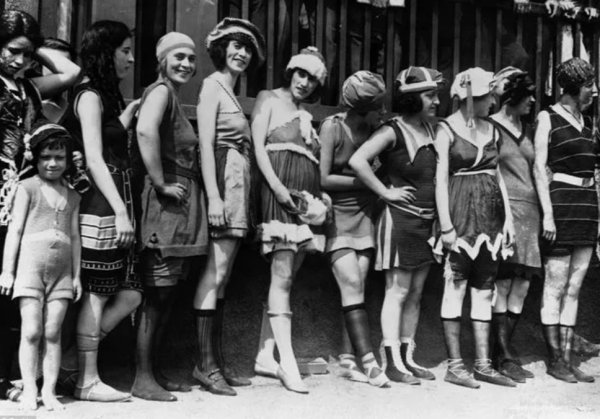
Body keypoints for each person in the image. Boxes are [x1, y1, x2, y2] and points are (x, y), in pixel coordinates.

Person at [0, 9, 81, 401]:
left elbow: (71, 73)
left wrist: (37, 48)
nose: (21, 62)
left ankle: (10, 379)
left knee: (12, 295)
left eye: (27, 55)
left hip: (19, 196)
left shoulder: (30, 87)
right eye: (13, 51)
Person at [61, 20, 142, 402]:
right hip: (99, 204)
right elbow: (94, 157)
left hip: (114, 200)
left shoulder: (106, 97)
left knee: (129, 294)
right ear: (105, 53)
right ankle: (86, 380)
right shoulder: (89, 95)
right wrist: (121, 213)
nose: (129, 57)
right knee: (96, 292)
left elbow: (107, 141)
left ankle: (69, 362)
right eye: (124, 50)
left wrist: (128, 117)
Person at [350, 67, 443, 385]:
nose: (436, 101)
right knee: (398, 290)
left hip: (425, 224)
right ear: (412, 98)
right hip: (399, 221)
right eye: (430, 95)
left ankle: (407, 357)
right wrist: (385, 191)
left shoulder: (433, 130)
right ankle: (391, 360)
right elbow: (358, 161)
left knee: (416, 292)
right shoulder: (392, 130)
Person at [131, 32, 208, 402]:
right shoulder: (160, 91)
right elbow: (145, 130)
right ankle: (142, 378)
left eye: (192, 59)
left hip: (182, 207)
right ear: (162, 59)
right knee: (157, 294)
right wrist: (160, 183)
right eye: (179, 56)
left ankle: (154, 373)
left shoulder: (172, 96)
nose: (186, 64)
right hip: (166, 205)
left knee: (168, 294)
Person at [193, 18, 265, 397]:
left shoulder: (231, 91)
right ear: (222, 49)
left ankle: (213, 362)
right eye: (234, 45)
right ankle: (204, 365)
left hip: (237, 185)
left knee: (223, 276)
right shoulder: (211, 87)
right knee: (215, 272)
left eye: (247, 48)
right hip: (222, 180)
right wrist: (215, 196)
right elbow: (205, 145)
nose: (240, 52)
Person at [433, 67, 516, 389]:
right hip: (460, 215)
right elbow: (440, 181)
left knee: (485, 289)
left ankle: (482, 364)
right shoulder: (446, 130)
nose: (493, 103)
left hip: (491, 219)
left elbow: (498, 177)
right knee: (455, 287)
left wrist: (507, 219)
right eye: (488, 97)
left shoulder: (492, 130)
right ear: (472, 98)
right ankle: (455, 365)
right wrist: (446, 225)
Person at [251, 46, 327, 394]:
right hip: (280, 195)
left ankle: (266, 355)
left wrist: (319, 197)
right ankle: (289, 362)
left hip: (304, 202)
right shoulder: (269, 99)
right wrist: (279, 189)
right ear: (291, 71)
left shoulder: (306, 115)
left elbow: (312, 162)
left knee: (288, 277)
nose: (305, 83)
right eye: (302, 74)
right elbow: (258, 150)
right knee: (281, 274)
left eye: (313, 79)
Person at [0, 122, 81, 411]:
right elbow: (15, 231)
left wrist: (76, 276)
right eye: (46, 156)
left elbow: (74, 236)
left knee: (52, 332)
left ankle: (48, 390)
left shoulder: (73, 195)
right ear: (36, 156)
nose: (52, 163)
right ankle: (29, 388)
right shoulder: (27, 188)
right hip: (29, 269)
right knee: (31, 330)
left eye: (59, 157)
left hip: (62, 275)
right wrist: (7, 270)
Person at [319, 70, 388, 388]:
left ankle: (347, 358)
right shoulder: (333, 127)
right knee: (350, 282)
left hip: (364, 216)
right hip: (338, 215)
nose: (382, 113)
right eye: (377, 108)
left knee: (358, 285)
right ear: (363, 108)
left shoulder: (375, 131)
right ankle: (370, 363)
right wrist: (366, 183)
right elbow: (323, 179)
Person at [533, 57, 597, 384]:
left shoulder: (587, 122)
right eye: (589, 86)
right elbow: (539, 169)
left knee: (574, 288)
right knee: (555, 287)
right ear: (573, 88)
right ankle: (554, 359)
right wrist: (547, 215)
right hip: (560, 208)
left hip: (587, 208)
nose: (594, 91)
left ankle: (569, 359)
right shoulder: (547, 117)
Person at [488, 69, 539, 383]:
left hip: (531, 214)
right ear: (512, 97)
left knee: (522, 286)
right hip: (505, 213)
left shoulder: (527, 128)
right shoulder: (492, 127)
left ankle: (503, 354)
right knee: (503, 285)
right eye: (528, 95)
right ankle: (502, 355)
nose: (533, 101)